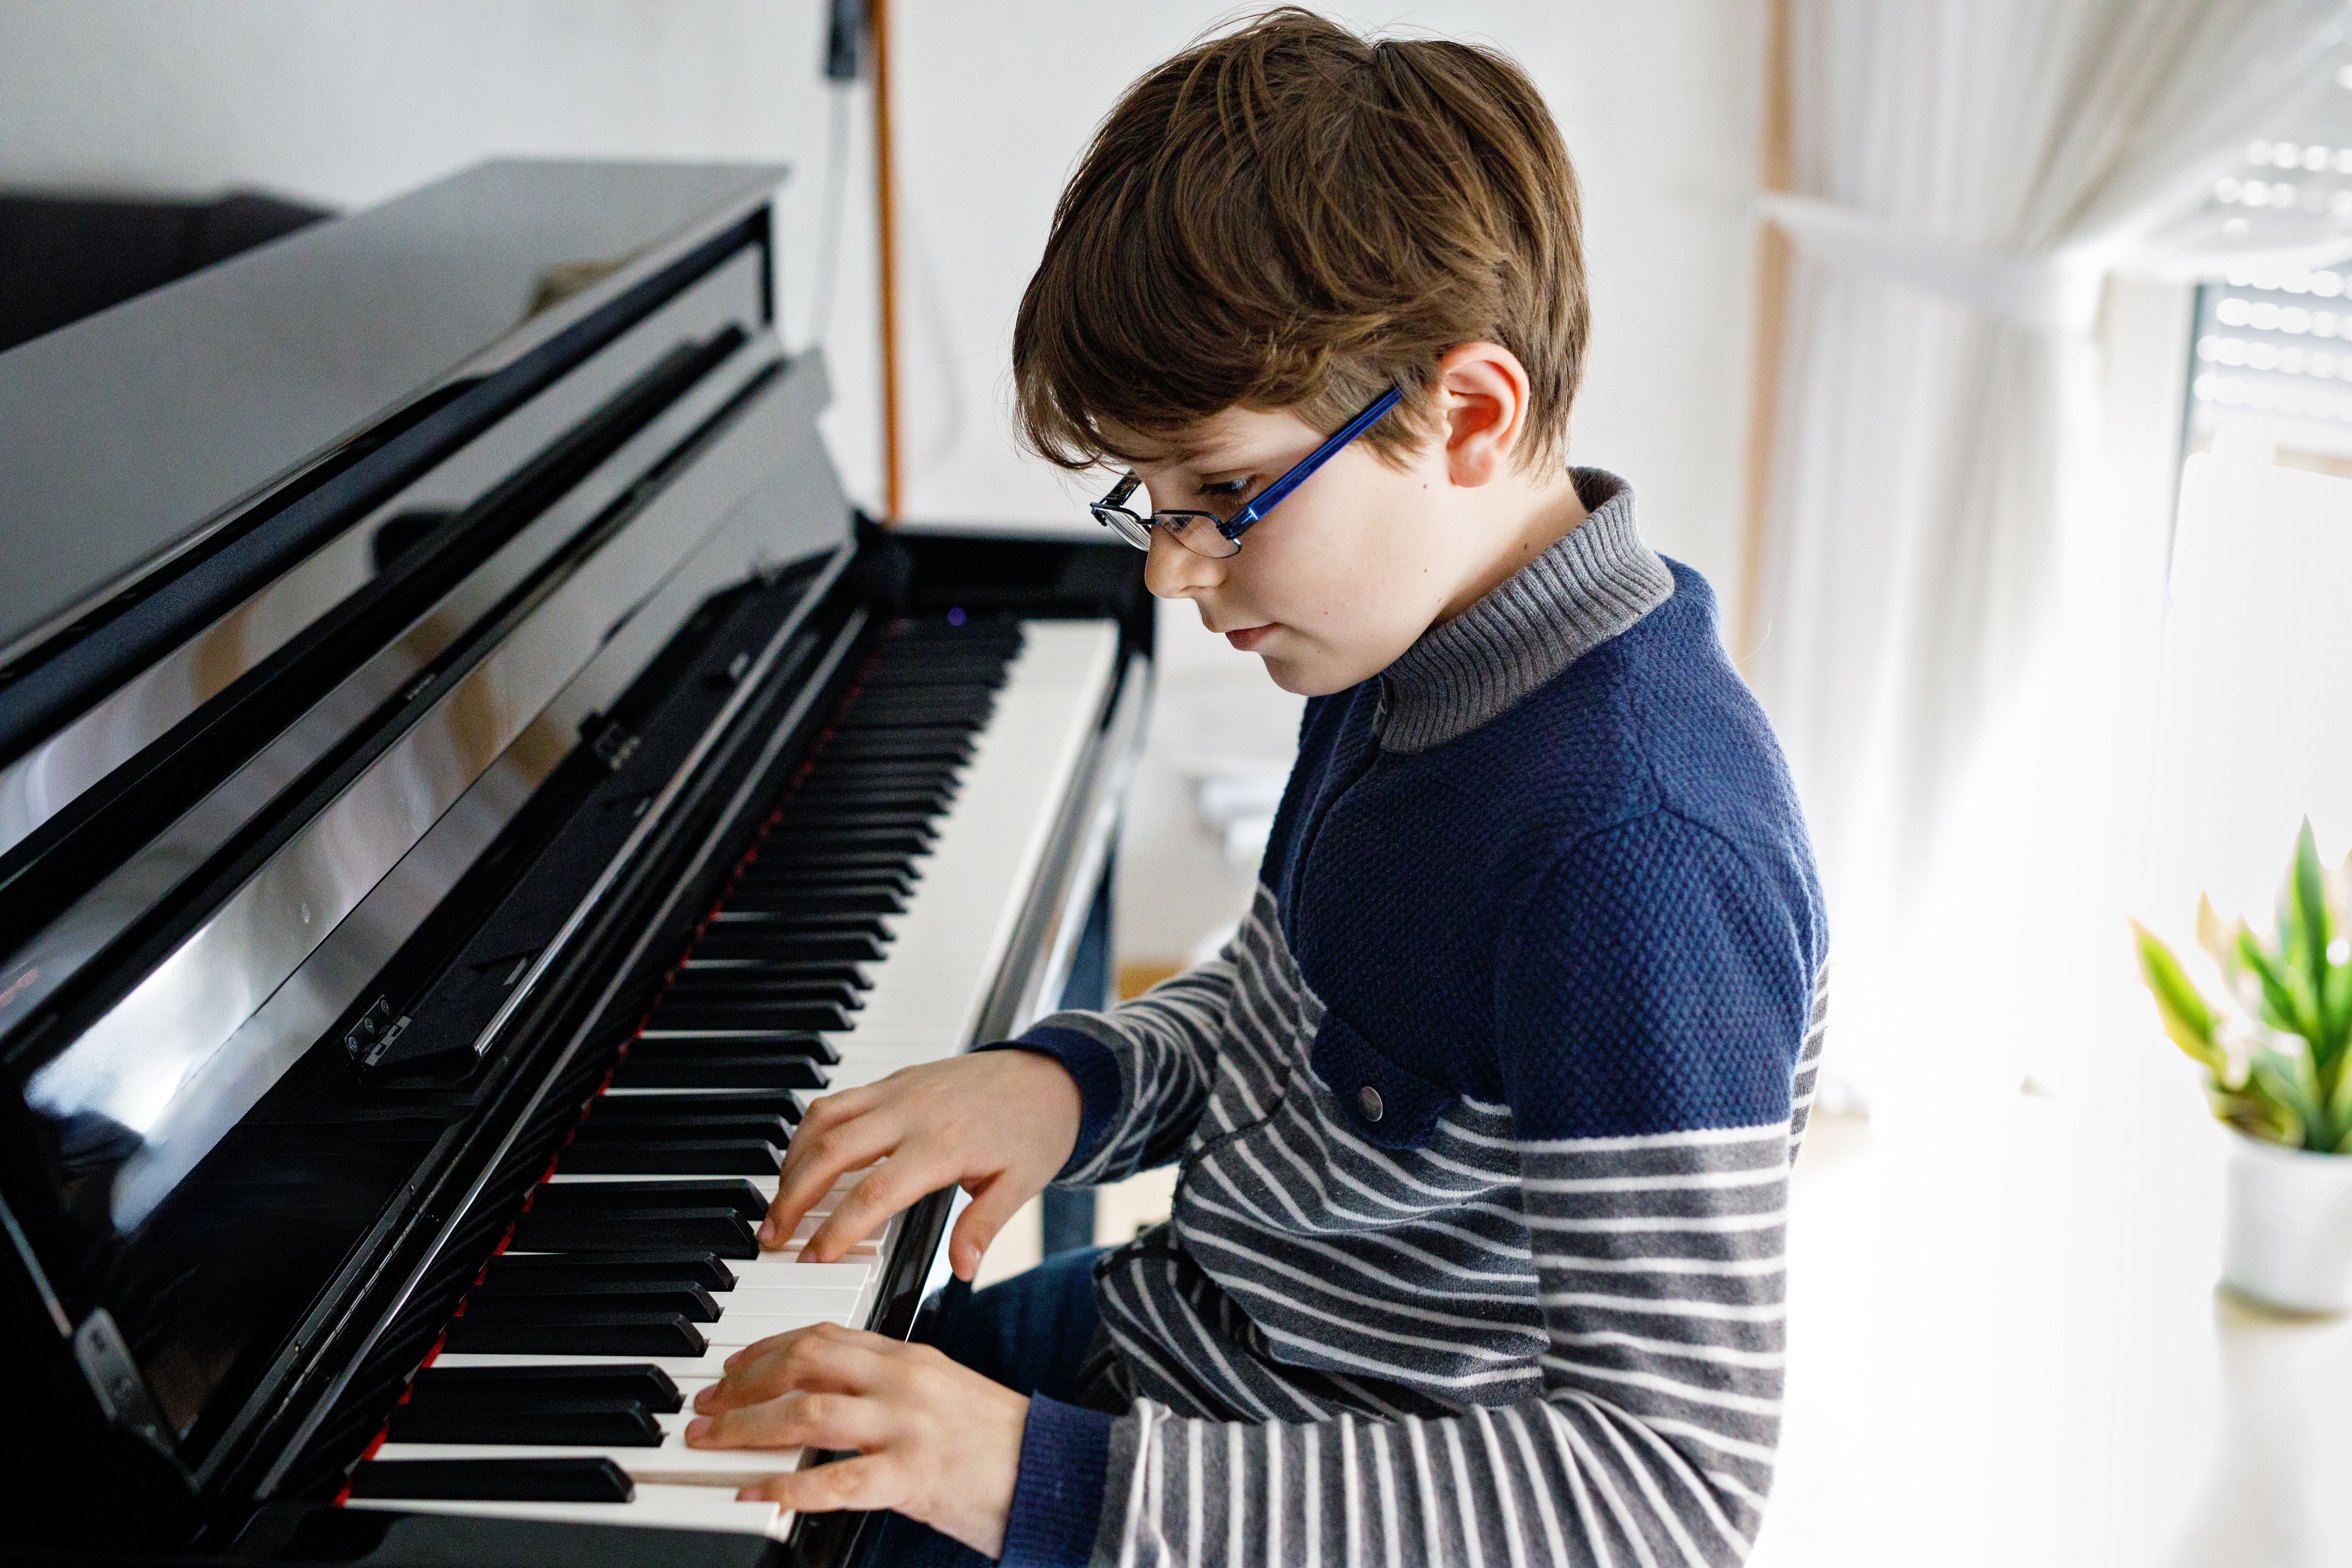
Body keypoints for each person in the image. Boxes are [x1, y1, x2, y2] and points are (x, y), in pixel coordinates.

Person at [684, 9, 1828, 1565]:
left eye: (1223, 495)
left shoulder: (1636, 857)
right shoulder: (1402, 653)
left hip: (1294, 1501)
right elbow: (1286, 1019)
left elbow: (1662, 1499)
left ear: (1471, 417)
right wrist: (1069, 1085)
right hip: (1186, 1350)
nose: (1172, 571)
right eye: (1146, 506)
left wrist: (1025, 1475)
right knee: (733, 1462)